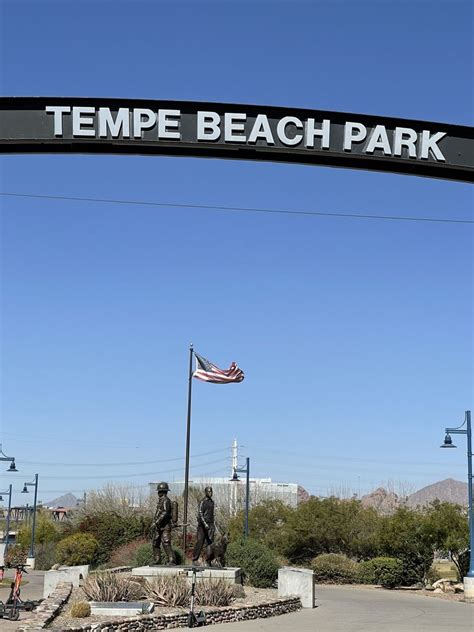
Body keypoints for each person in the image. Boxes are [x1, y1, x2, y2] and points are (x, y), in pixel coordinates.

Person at [152, 481, 176, 565]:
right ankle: (157, 559)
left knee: (166, 543)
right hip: (159, 526)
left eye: (159, 491)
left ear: (163, 492)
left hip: (165, 526)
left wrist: (157, 521)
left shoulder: (166, 500)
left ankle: (172, 559)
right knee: (155, 543)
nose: (158, 493)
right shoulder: (160, 501)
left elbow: (165, 512)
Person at [192, 486, 215, 563]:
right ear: (205, 492)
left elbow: (212, 514)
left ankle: (208, 560)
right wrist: (205, 524)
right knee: (200, 541)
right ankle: (195, 559)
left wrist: (212, 525)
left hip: (210, 525)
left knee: (210, 543)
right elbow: (200, 514)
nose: (210, 493)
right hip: (202, 526)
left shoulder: (212, 502)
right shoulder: (202, 502)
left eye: (211, 491)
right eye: (208, 491)